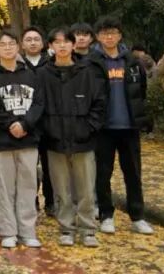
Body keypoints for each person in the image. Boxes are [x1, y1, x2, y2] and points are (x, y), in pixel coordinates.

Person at [85, 16, 155, 236]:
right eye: (104, 33)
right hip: (103, 128)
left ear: (120, 35)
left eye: (113, 32)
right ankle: (106, 215)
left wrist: (139, 118)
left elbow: (141, 91)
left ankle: (138, 216)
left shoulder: (132, 61)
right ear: (98, 37)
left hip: (129, 127)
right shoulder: (91, 62)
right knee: (102, 174)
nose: (109, 37)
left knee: (133, 174)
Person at [39, 27, 106, 248]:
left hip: (83, 140)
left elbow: (99, 103)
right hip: (55, 141)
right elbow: (38, 105)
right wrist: (48, 130)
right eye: (57, 42)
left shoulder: (87, 71)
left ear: (73, 44)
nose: (62, 46)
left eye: (66, 41)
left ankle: (88, 229)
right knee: (61, 190)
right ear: (50, 46)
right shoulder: (43, 74)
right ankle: (66, 228)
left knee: (86, 189)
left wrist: (88, 128)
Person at [0, 30, 45, 249]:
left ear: (18, 47)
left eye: (11, 44)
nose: (7, 48)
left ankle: (27, 231)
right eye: (3, 44)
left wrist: (25, 124)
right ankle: (8, 231)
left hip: (28, 139)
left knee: (28, 186)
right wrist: (10, 124)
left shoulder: (31, 75)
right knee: (4, 188)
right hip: (2, 141)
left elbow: (39, 104)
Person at [21, 25, 53, 216]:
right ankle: (30, 200)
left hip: (48, 122)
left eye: (36, 39)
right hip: (26, 123)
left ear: (43, 43)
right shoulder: (17, 64)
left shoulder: (51, 64)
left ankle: (51, 201)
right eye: (28, 39)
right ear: (22, 44)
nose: (32, 43)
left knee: (50, 166)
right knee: (28, 166)